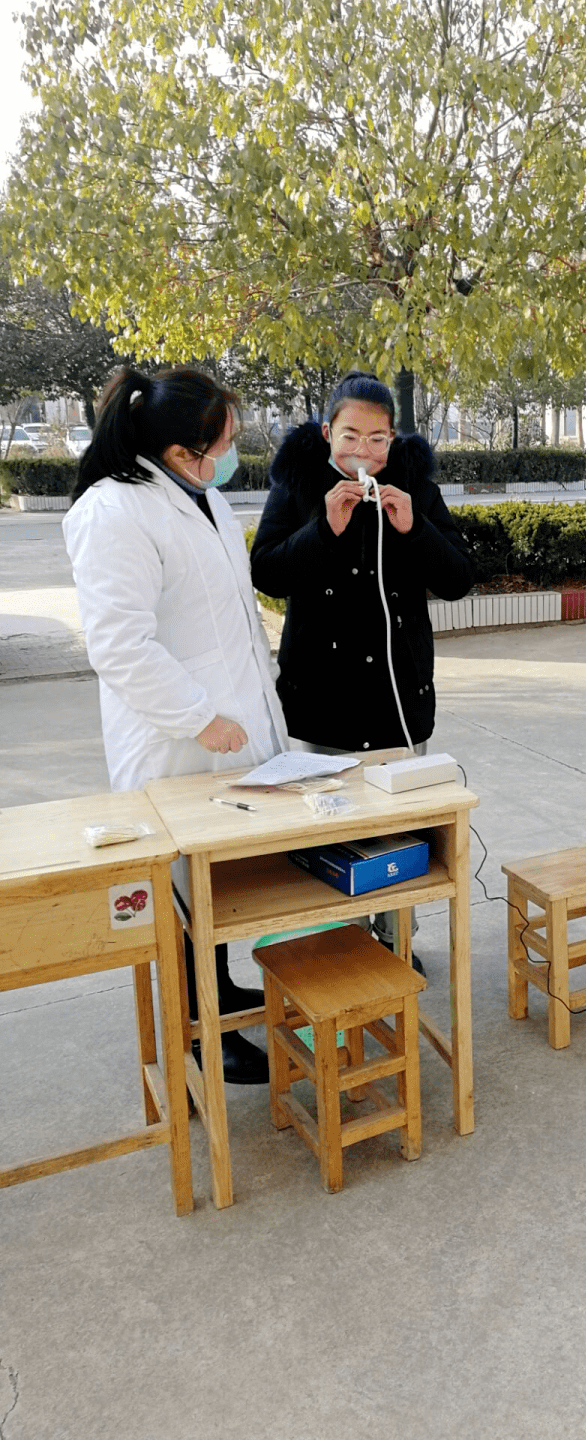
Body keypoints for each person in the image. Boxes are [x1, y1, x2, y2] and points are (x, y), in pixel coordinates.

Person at [64, 367, 290, 1084]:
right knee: (180, 895)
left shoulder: (203, 499)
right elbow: (119, 645)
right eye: (219, 443)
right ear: (177, 450)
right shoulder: (115, 512)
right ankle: (195, 1034)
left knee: (212, 885)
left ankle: (218, 997)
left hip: (229, 731)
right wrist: (202, 719)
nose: (228, 454)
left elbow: (228, 619)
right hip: (176, 742)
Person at [249, 371, 474, 950]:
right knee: (331, 836)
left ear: (394, 439)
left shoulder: (412, 487)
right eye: (351, 436)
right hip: (321, 701)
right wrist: (324, 528)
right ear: (328, 432)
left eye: (378, 439)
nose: (364, 452)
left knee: (400, 835)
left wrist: (412, 528)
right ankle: (337, 951)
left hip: (397, 700)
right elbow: (266, 572)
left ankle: (398, 945)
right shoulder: (299, 485)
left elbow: (457, 578)